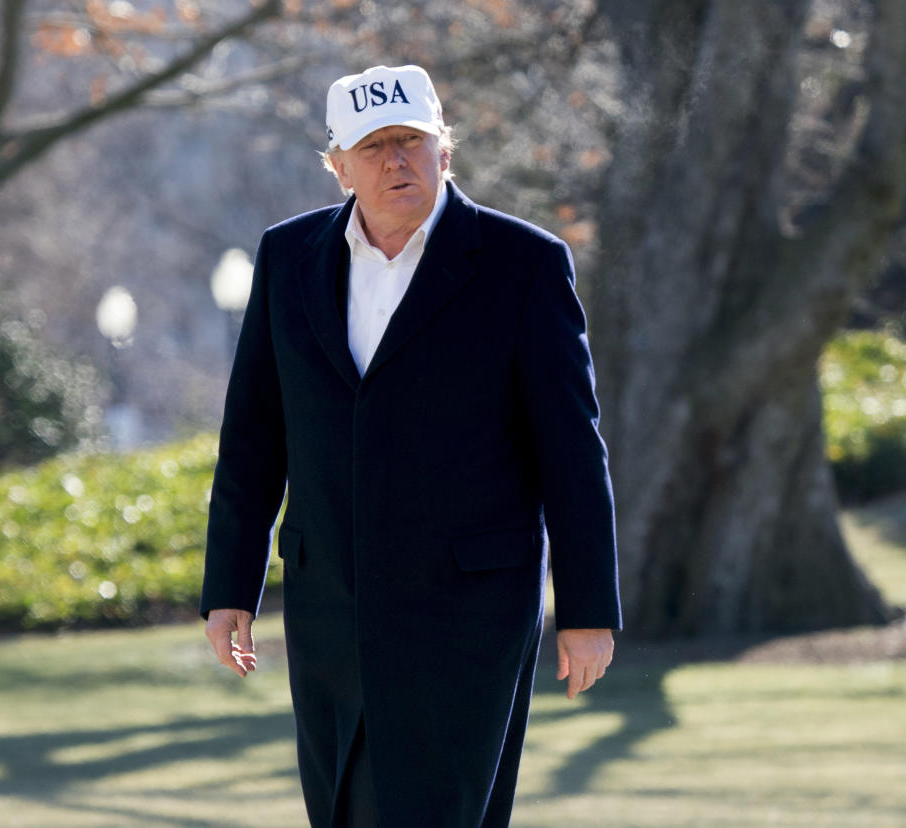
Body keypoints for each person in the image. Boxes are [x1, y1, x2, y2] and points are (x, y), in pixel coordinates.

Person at [200, 64, 621, 827]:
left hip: (466, 612)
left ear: (445, 152)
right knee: (343, 809)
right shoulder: (288, 259)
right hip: (329, 604)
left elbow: (571, 450)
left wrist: (588, 607)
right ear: (338, 166)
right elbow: (254, 434)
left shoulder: (523, 265)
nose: (396, 161)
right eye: (374, 146)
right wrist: (231, 583)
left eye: (412, 142)